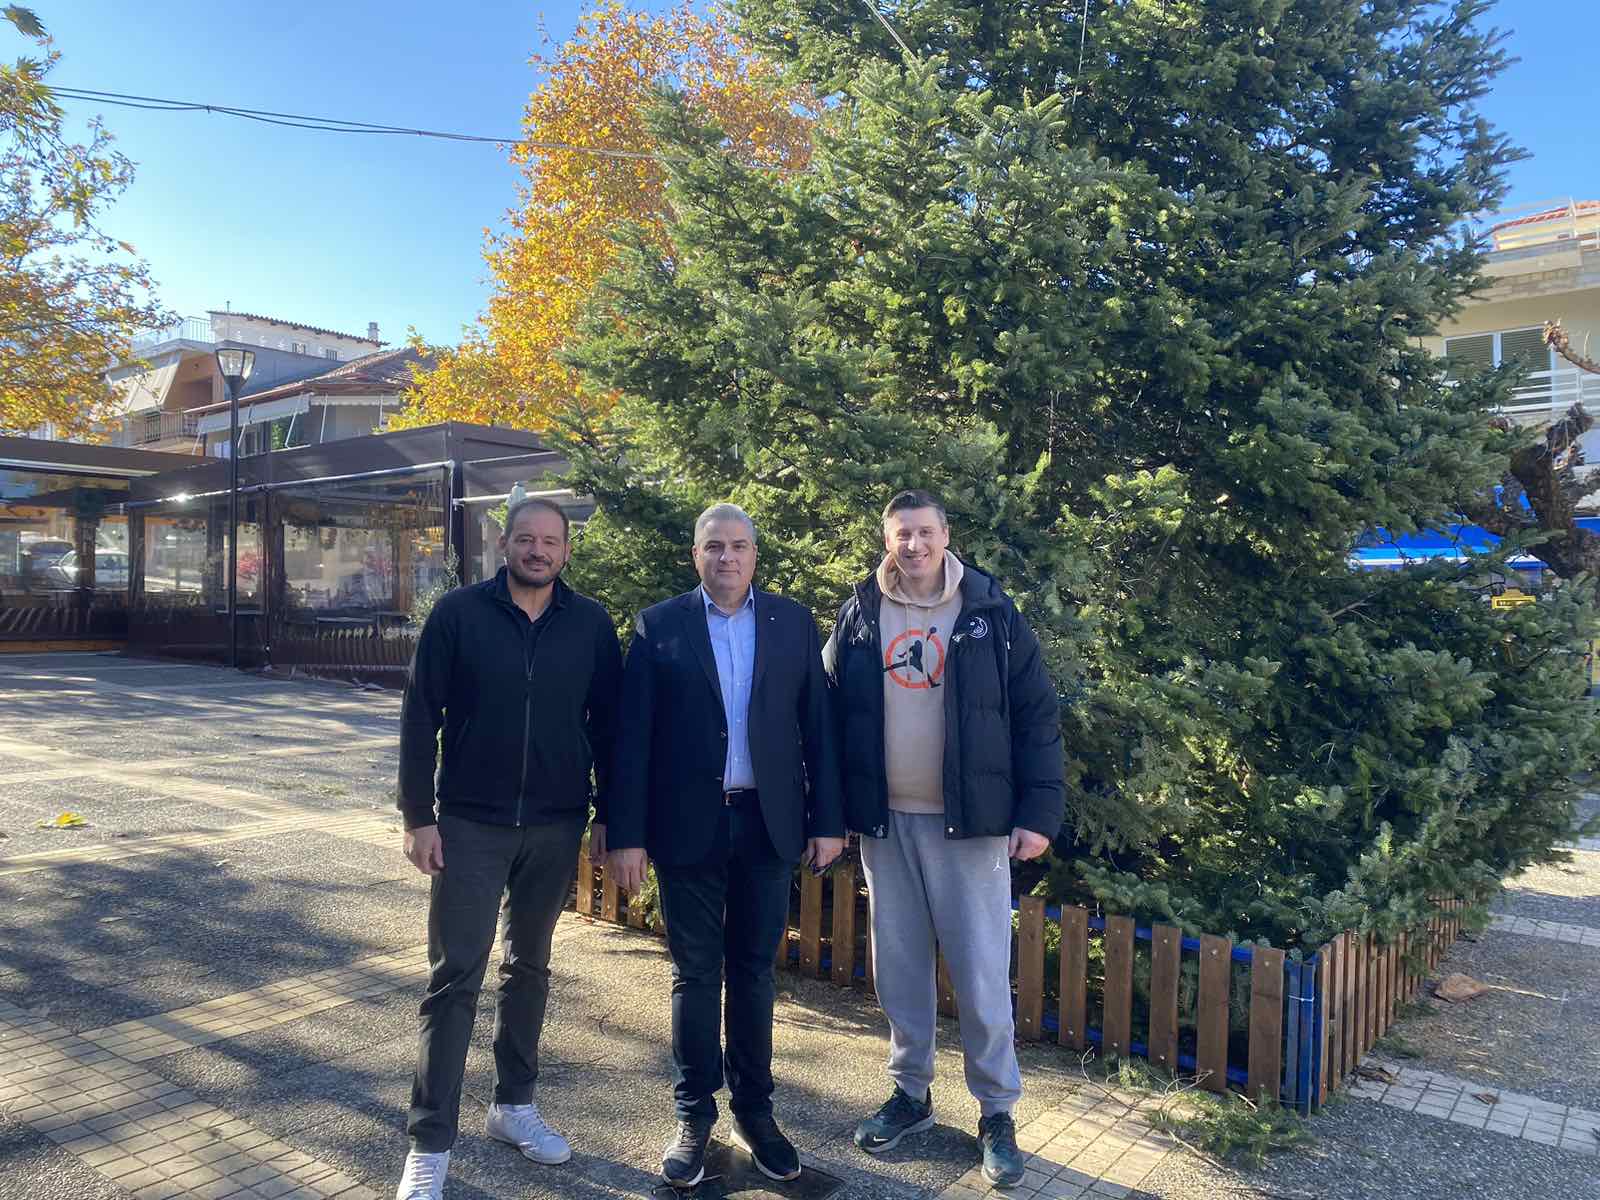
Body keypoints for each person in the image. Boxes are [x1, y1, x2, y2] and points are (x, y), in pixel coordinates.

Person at [823, 489, 1064, 1189]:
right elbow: (828, 709)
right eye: (902, 534)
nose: (915, 545)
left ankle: (997, 1111)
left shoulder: (990, 611)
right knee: (899, 970)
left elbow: (1036, 714)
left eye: (925, 532)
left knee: (982, 972)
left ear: (946, 534)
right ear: (887, 539)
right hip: (885, 821)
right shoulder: (860, 611)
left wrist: (1038, 813)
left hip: (971, 825)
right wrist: (831, 809)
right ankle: (911, 1095)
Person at [608, 503, 844, 1190]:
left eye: (739, 546)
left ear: (755, 555)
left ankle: (756, 1113)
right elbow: (631, 740)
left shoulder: (792, 623)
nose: (727, 558)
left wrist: (828, 820)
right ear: (696, 555)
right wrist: (627, 834)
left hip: (768, 825)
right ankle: (693, 1115)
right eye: (714, 546)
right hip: (689, 827)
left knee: (754, 973)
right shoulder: (659, 627)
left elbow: (819, 728)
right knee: (694, 973)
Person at [394, 497, 623, 1200]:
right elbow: (419, 715)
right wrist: (418, 816)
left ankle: (513, 1106)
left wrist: (610, 817)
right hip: (469, 824)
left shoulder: (590, 624)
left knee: (529, 968)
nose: (537, 550)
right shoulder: (458, 615)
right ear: (505, 544)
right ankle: (430, 1143)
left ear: (566, 551)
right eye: (526, 538)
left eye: (550, 541)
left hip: (556, 824)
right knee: (454, 976)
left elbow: (609, 727)